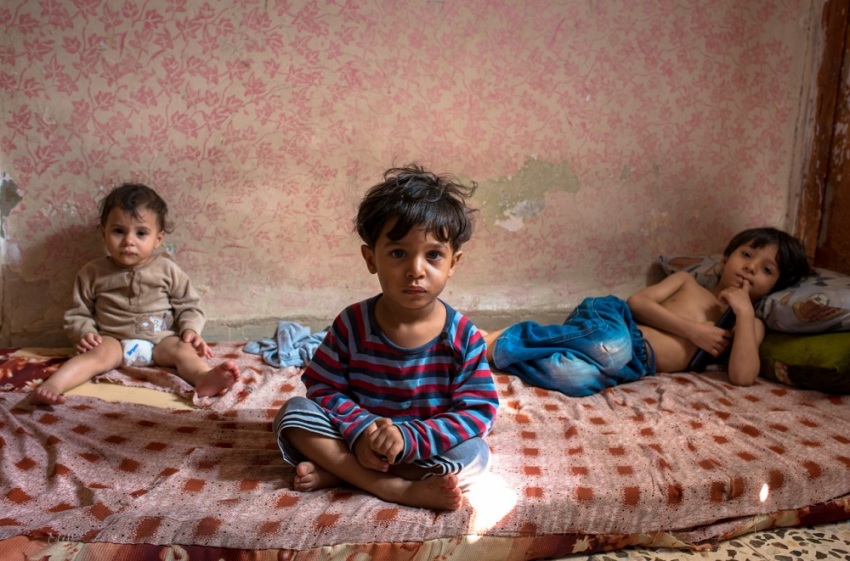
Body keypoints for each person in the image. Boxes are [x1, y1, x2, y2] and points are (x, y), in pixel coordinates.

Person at [273, 165, 498, 511]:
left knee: (476, 455)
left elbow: (478, 411)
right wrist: (361, 430)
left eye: (434, 255)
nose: (416, 270)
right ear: (370, 258)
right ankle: (394, 487)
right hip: (354, 437)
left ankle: (343, 473)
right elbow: (322, 387)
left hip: (423, 443)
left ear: (454, 262)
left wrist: (409, 439)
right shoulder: (352, 324)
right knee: (293, 414)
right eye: (398, 253)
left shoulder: (462, 336)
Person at [484, 227, 812, 396]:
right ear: (725, 259)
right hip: (616, 323)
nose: (752, 268)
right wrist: (692, 330)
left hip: (636, 365)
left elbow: (743, 377)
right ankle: (513, 336)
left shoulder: (750, 325)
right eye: (747, 255)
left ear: (776, 287)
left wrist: (742, 313)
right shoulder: (687, 283)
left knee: (575, 378)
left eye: (767, 270)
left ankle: (499, 350)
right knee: (611, 347)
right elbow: (637, 303)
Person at [31, 183, 240, 406]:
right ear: (104, 233)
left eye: (141, 233)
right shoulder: (92, 272)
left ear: (158, 239)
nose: (129, 241)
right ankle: (54, 385)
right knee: (94, 356)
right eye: (118, 231)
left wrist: (190, 330)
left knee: (183, 350)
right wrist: (85, 333)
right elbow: (78, 312)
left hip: (161, 340)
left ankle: (204, 378)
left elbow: (189, 305)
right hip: (113, 340)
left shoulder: (168, 270)